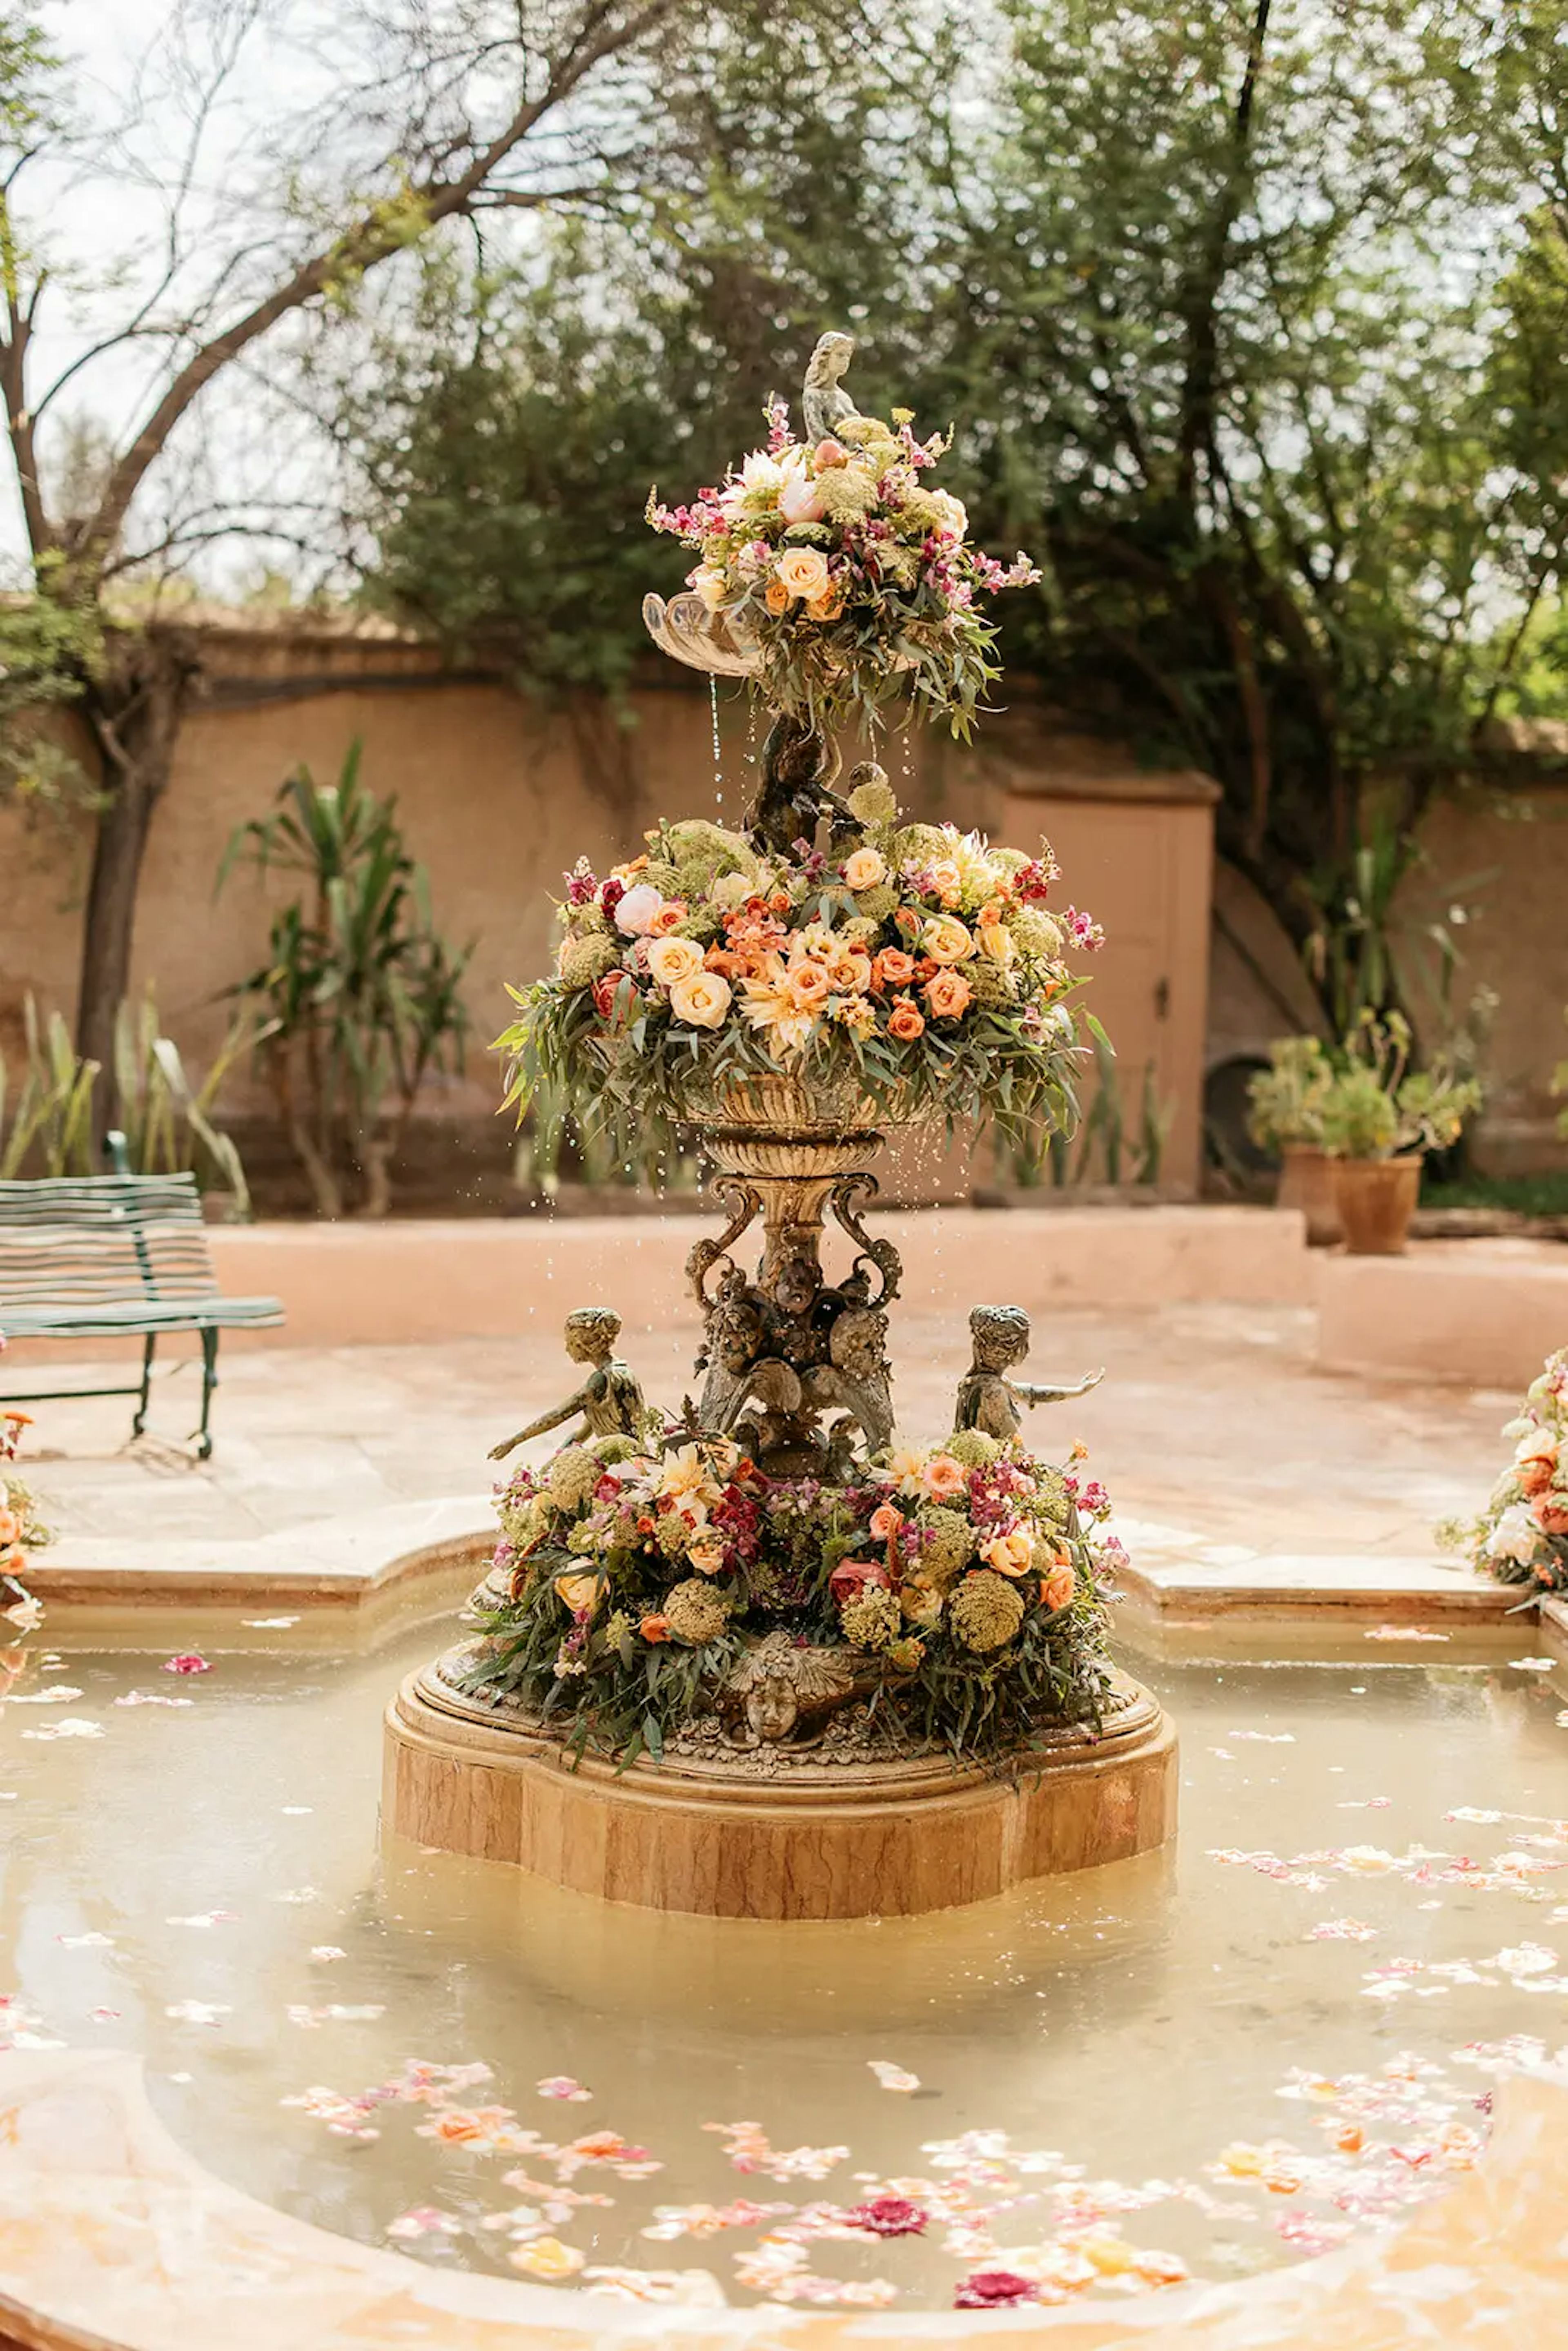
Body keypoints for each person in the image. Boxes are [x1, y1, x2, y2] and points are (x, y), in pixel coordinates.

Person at [488, 1308, 647, 1461]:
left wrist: (513, 1442)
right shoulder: (623, 1370)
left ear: (583, 1345)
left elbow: (557, 1416)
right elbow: (583, 1433)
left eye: (570, 1343)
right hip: (636, 1456)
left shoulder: (600, 1380)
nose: (567, 1349)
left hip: (622, 1463)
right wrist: (555, 1461)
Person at [953, 1304, 1102, 1442]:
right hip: (994, 1468)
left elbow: (1032, 1394)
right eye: (1025, 1344)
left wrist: (1078, 1391)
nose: (1028, 1350)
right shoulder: (993, 1392)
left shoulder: (979, 1381)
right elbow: (1016, 1446)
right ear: (1010, 1352)